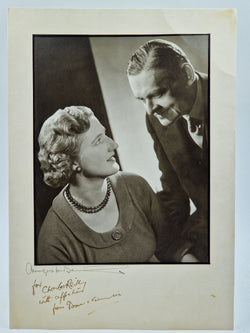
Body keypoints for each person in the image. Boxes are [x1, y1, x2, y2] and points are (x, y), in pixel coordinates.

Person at [37, 105, 186, 264]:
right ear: (71, 161)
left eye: (105, 134)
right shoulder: (54, 238)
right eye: (98, 140)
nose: (114, 145)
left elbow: (171, 247)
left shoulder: (136, 186)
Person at [127, 39, 209, 263]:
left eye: (157, 93)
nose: (151, 109)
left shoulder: (236, 99)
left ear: (187, 73)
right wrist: (182, 252)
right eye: (142, 100)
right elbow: (174, 192)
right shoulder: (155, 119)